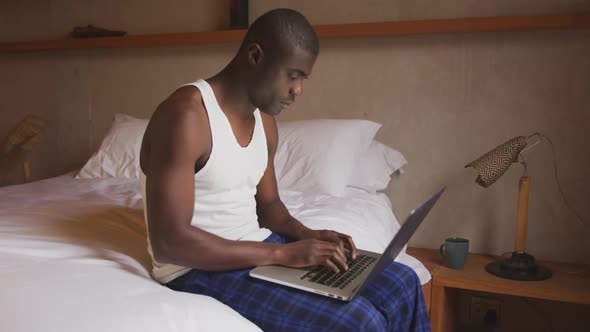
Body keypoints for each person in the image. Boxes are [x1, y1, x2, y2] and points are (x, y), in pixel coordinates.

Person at [139, 8, 430, 332]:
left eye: (303, 79)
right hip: (194, 269)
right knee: (359, 321)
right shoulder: (186, 115)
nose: (298, 91)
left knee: (403, 283)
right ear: (255, 56)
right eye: (293, 76)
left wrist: (307, 235)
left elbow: (269, 207)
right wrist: (279, 252)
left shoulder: (264, 122)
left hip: (257, 247)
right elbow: (169, 242)